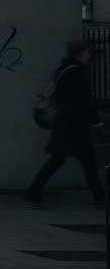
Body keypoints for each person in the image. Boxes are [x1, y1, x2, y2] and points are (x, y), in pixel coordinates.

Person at [24, 40, 106, 208]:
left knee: (59, 159)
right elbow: (84, 103)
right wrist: (96, 122)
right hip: (76, 126)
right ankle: (100, 197)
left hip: (63, 123)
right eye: (87, 53)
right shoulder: (77, 74)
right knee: (87, 162)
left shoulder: (62, 71)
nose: (89, 56)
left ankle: (34, 191)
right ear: (81, 53)